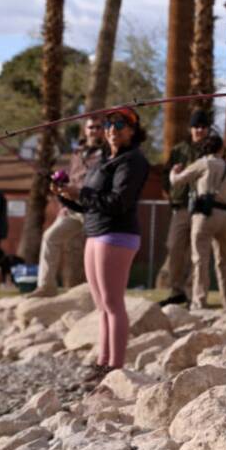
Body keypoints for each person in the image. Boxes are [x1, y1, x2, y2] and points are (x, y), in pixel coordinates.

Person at [52, 109, 150, 384]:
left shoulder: (133, 161)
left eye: (120, 124)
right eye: (108, 124)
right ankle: (102, 363)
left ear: (133, 130)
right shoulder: (104, 160)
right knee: (101, 304)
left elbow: (118, 201)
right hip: (95, 233)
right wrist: (66, 197)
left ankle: (115, 368)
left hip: (116, 235)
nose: (112, 129)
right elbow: (89, 202)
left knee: (113, 303)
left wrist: (80, 193)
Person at [33, 118, 107, 297]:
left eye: (98, 127)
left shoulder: (108, 152)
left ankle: (105, 290)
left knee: (101, 249)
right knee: (50, 237)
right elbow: (73, 177)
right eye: (91, 127)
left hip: (94, 208)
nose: (94, 130)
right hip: (71, 209)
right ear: (85, 130)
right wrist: (59, 183)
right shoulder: (77, 152)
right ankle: (46, 287)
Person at [169, 133, 226, 312]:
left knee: (200, 260)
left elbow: (178, 182)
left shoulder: (204, 162)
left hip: (205, 214)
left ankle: (199, 302)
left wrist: (173, 172)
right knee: (224, 263)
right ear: (221, 148)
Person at [156, 109, 212, 307]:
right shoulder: (179, 150)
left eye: (204, 127)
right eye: (196, 126)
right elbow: (165, 173)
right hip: (181, 207)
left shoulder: (214, 149)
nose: (200, 130)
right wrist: (169, 192)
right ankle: (176, 290)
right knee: (174, 247)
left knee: (197, 252)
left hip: (202, 208)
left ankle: (191, 292)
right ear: (191, 129)